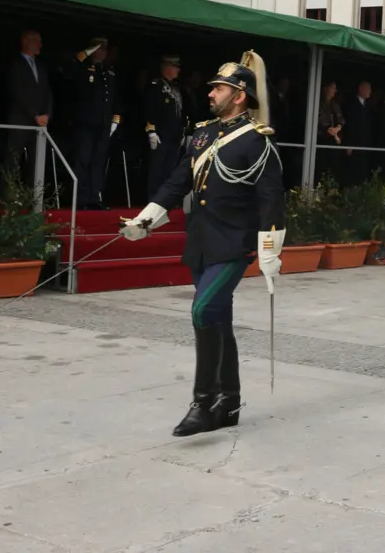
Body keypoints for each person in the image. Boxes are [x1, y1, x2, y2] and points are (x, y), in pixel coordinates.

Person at [120, 51, 285, 436]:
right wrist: (146, 219)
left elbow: (271, 199)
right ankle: (228, 402)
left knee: (202, 311)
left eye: (219, 89)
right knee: (218, 320)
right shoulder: (203, 133)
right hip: (201, 242)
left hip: (233, 242)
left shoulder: (257, 142)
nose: (210, 94)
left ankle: (203, 401)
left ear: (240, 95)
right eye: (212, 88)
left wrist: (269, 251)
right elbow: (179, 181)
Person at [66, 37, 121, 209]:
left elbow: (114, 97)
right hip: (85, 123)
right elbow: (69, 71)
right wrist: (84, 54)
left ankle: (94, 197)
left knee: (98, 161)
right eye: (99, 48)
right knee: (83, 160)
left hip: (103, 124)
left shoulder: (108, 71)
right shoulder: (82, 67)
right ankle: (81, 199)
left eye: (105, 49)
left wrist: (115, 118)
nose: (102, 52)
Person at [3, 29, 53, 191]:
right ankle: (7, 196)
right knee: (14, 158)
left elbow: (47, 92)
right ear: (25, 41)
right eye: (36, 40)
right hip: (20, 118)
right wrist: (34, 114)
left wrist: (47, 113)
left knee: (36, 159)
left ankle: (34, 196)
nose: (40, 45)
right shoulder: (15, 64)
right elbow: (18, 91)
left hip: (40, 122)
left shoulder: (40, 66)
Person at [144, 55, 188, 197]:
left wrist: (183, 131)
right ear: (167, 68)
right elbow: (150, 109)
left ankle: (166, 198)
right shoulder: (156, 85)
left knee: (170, 170)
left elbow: (180, 111)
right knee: (157, 169)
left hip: (174, 134)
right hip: (160, 134)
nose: (178, 71)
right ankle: (154, 198)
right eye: (175, 67)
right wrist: (151, 131)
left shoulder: (176, 87)